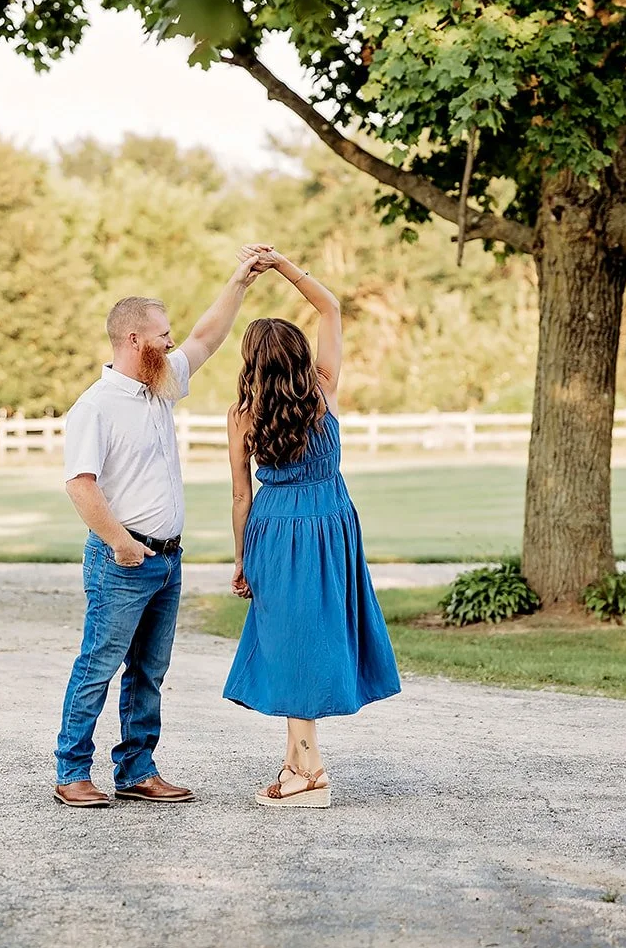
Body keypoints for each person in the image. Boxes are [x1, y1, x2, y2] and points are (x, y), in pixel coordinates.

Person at [54, 255, 266, 807]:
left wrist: (239, 282)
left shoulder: (160, 383)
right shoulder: (95, 407)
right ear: (132, 339)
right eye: (161, 337)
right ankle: (72, 770)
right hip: (123, 561)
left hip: (169, 560)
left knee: (149, 672)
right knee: (99, 665)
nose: (172, 345)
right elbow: (80, 484)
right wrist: (122, 544)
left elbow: (206, 337)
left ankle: (136, 769)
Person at [223, 247, 400, 807]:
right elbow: (331, 308)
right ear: (298, 354)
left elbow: (239, 494)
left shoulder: (244, 414)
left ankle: (310, 774)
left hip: (275, 529)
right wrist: (284, 268)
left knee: (290, 643)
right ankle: (294, 764)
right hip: (332, 524)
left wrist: (240, 558)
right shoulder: (323, 388)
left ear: (251, 362)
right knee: (297, 641)